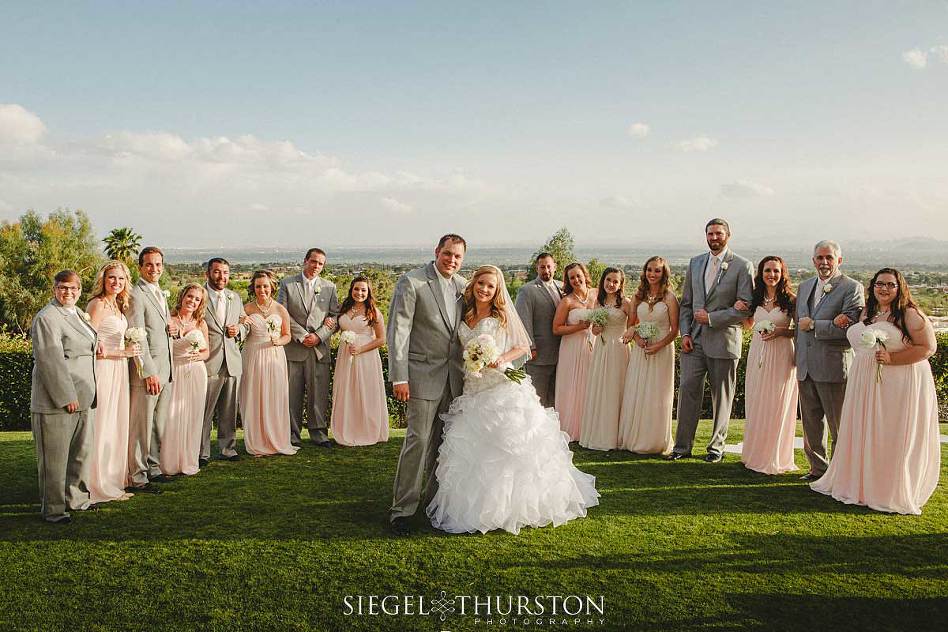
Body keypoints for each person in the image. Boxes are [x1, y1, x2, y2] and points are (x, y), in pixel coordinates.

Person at [427, 265, 599, 535]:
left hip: (501, 385)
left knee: (509, 447)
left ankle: (513, 507)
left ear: (497, 291)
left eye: (491, 286)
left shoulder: (501, 313)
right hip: (473, 387)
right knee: (475, 449)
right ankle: (476, 507)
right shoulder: (464, 312)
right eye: (481, 283)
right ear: (474, 285)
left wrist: (501, 359)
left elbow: (523, 347)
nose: (485, 289)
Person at [812, 268, 940, 514]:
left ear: (899, 287)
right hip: (866, 383)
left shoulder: (910, 314)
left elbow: (928, 348)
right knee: (867, 430)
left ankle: (887, 489)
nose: (884, 289)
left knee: (889, 432)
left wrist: (893, 358)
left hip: (897, 384)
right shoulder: (868, 312)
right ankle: (863, 484)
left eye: (890, 285)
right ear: (873, 287)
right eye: (880, 284)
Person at [387, 234, 467, 536]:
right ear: (437, 252)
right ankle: (402, 510)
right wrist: (400, 377)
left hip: (455, 377)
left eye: (458, 257)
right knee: (417, 441)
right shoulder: (413, 282)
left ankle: (433, 504)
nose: (452, 260)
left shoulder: (463, 287)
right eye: (448, 254)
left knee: (443, 444)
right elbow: (399, 331)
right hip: (420, 375)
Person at [670, 219, 753, 463]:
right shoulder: (695, 263)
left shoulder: (742, 266)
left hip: (725, 341)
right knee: (687, 392)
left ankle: (716, 447)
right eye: (710, 233)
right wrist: (684, 334)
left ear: (728, 235)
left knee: (722, 396)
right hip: (693, 341)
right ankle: (682, 447)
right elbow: (686, 303)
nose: (714, 237)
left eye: (718, 233)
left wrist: (713, 318)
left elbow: (745, 308)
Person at [30, 270, 97, 523]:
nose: (68, 292)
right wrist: (65, 396)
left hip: (84, 396)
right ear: (54, 289)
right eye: (62, 288)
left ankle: (77, 500)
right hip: (57, 401)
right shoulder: (47, 317)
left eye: (73, 288)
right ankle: (54, 510)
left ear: (80, 290)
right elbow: (50, 360)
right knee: (54, 459)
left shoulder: (79, 314)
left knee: (80, 453)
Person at [795, 240, 865, 481]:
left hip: (834, 366)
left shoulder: (852, 288)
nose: (824, 262)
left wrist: (815, 325)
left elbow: (851, 329)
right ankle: (818, 470)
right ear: (813, 260)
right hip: (805, 367)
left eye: (829, 258)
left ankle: (841, 473)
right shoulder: (804, 286)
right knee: (811, 425)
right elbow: (798, 329)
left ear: (839, 261)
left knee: (839, 426)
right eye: (820, 258)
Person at [739, 256, 799, 475]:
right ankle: (755, 453)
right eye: (767, 271)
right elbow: (747, 325)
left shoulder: (791, 300)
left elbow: (800, 331)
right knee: (757, 400)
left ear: (782, 273)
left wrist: (781, 332)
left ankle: (775, 456)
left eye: (776, 271)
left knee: (777, 404)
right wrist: (740, 310)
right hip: (758, 354)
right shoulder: (755, 298)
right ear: (761, 274)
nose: (771, 275)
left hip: (782, 355)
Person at [86, 261, 138, 502]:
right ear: (103, 280)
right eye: (112, 278)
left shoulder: (119, 306)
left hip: (119, 370)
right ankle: (96, 482)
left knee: (117, 421)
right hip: (104, 369)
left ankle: (114, 477)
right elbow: (90, 345)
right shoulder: (96, 305)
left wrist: (128, 349)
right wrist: (122, 353)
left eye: (121, 279)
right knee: (103, 422)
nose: (116, 283)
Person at [277, 248, 340, 447]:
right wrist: (303, 335)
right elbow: (282, 313)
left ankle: (319, 435)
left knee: (318, 395)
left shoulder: (329, 287)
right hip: (295, 349)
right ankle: (292, 436)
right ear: (305, 261)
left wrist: (318, 336)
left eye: (320, 264)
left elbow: (335, 317)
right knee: (292, 395)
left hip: (319, 350)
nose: (316, 266)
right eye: (313, 262)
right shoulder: (287, 284)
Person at [127, 246, 176, 493]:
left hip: (167, 369)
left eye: (158, 265)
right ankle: (138, 476)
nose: (154, 269)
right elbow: (137, 336)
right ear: (140, 267)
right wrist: (148, 372)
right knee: (141, 426)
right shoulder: (136, 294)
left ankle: (154, 469)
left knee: (158, 424)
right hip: (149, 372)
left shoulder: (159, 293)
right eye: (149, 264)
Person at [618, 257, 679, 455]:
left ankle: (654, 440)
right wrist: (637, 339)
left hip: (662, 350)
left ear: (664, 274)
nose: (652, 274)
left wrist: (659, 345)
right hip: (640, 349)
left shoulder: (669, 297)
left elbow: (675, 330)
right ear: (645, 272)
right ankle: (635, 437)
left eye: (657, 271)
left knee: (657, 394)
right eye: (649, 270)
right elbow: (631, 324)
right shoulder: (638, 296)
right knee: (637, 390)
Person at [240, 271, 299, 457]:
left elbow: (287, 335)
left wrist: (278, 342)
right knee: (254, 396)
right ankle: (257, 440)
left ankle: (276, 439)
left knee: (274, 395)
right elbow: (241, 331)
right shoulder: (247, 308)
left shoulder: (281, 309)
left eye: (265, 286)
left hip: (274, 356)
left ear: (272, 287)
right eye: (258, 286)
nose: (262, 290)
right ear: (253, 288)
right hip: (253, 355)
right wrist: (242, 322)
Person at [330, 276, 389, 446]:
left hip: (366, 356)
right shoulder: (343, 308)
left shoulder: (373, 312)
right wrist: (329, 322)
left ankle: (367, 429)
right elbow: (335, 327)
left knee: (365, 390)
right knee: (346, 390)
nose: (359, 293)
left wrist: (361, 349)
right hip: (345, 355)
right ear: (351, 290)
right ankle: (348, 428)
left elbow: (381, 339)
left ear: (368, 292)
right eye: (356, 289)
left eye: (363, 290)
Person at [201, 257, 248, 465]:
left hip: (232, 361)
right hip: (208, 361)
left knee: (229, 409)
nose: (222, 276)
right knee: (204, 410)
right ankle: (201, 452)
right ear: (208, 274)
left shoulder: (234, 297)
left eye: (226, 273)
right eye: (217, 272)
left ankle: (228, 448)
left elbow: (244, 322)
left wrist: (239, 330)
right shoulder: (198, 295)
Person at [578, 267, 632, 451]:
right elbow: (593, 330)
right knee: (602, 388)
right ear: (603, 281)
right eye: (608, 280)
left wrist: (626, 336)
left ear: (620, 284)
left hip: (619, 349)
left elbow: (633, 327)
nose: (611, 284)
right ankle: (600, 433)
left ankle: (618, 434)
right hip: (601, 349)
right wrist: (597, 328)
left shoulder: (626, 303)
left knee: (617, 387)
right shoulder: (597, 303)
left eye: (615, 281)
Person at [161, 284, 210, 476]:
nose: (192, 301)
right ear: (182, 297)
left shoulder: (201, 324)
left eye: (197, 299)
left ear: (200, 304)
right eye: (190, 297)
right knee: (171, 417)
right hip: (176, 372)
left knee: (193, 417)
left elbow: (206, 351)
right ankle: (169, 462)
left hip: (197, 374)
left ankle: (188, 460)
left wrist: (199, 357)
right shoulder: (169, 321)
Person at [552, 263, 594, 441]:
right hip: (572, 347)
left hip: (593, 346)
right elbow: (556, 329)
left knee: (590, 385)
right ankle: (570, 428)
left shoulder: (596, 294)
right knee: (571, 387)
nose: (576, 280)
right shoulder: (567, 301)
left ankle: (591, 426)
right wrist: (578, 327)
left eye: (578, 275)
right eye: (572, 278)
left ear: (585, 275)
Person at [514, 253, 562, 407]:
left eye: (549, 266)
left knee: (555, 400)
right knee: (537, 401)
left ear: (555, 267)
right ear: (537, 268)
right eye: (542, 267)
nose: (546, 270)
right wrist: (531, 347)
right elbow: (523, 321)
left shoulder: (563, 287)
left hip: (562, 355)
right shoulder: (527, 291)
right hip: (539, 357)